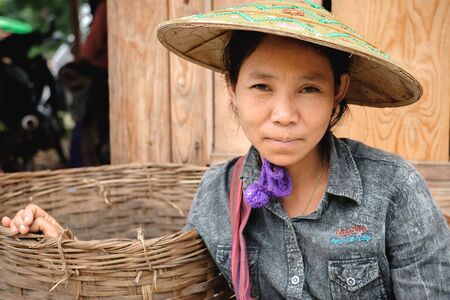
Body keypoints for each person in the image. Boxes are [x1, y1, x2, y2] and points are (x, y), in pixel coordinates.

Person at [2, 1, 450, 299]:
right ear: (232, 88)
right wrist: (64, 246)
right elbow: (161, 278)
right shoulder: (219, 195)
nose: (283, 114)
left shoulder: (393, 189)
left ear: (339, 91)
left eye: (309, 88)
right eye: (261, 86)